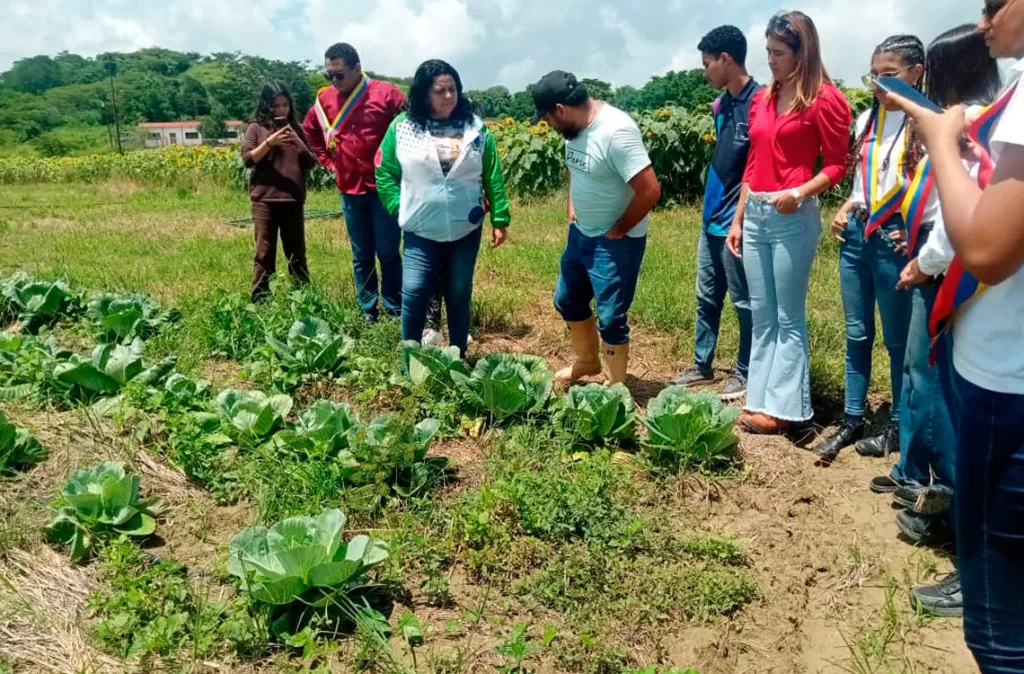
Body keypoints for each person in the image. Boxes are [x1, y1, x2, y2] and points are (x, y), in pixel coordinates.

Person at [885, 0, 1024, 669]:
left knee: (998, 626)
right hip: (997, 353)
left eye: (998, 3)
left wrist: (941, 142)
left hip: (1005, 371)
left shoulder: (999, 114)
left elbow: (981, 239)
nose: (987, 15)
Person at [725, 11, 852, 434]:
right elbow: (753, 162)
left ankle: (785, 409)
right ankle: (759, 398)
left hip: (793, 214)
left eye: (778, 53)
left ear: (803, 52)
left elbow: (837, 165)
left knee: (787, 315)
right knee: (761, 313)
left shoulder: (826, 99)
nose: (770, 60)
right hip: (758, 213)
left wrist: (799, 192)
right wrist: (739, 218)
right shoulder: (764, 98)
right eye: (768, 52)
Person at [812, 36, 924, 464]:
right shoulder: (867, 120)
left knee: (897, 340)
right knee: (856, 332)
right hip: (858, 234)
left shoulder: (926, 123)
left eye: (889, 75)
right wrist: (845, 207)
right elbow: (865, 182)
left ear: (917, 73)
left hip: (896, 238)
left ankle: (897, 422)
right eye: (873, 75)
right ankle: (852, 417)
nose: (878, 84)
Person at [531, 71, 662, 386]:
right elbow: (578, 169)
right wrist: (572, 207)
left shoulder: (616, 132)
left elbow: (650, 190)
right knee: (567, 299)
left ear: (561, 110)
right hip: (581, 233)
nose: (548, 125)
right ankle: (588, 363)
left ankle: (616, 388)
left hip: (616, 241)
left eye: (547, 118)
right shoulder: (575, 129)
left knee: (611, 317)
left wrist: (620, 227)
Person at [375, 60, 510, 357]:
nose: (449, 96)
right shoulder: (402, 128)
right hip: (420, 228)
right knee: (414, 291)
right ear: (424, 94)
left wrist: (500, 217)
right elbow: (384, 174)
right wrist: (400, 206)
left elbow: (492, 174)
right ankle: (409, 358)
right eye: (440, 91)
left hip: (465, 227)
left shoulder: (475, 127)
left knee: (459, 293)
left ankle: (458, 355)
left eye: (454, 90)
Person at [671, 25, 759, 401]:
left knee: (742, 300)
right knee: (706, 296)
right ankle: (701, 364)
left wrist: (738, 219)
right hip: (710, 219)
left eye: (708, 64)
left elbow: (755, 170)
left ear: (726, 59)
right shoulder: (722, 105)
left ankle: (745, 370)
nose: (704, 72)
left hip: (735, 223)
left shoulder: (761, 103)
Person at [303, 42, 407, 323]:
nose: (334, 81)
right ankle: (368, 309)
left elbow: (411, 125)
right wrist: (328, 162)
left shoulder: (387, 94)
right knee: (361, 255)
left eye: (339, 75)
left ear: (358, 69)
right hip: (349, 188)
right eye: (329, 76)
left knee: (388, 252)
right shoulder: (324, 101)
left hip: (384, 189)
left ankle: (395, 308)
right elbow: (310, 131)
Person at [242, 82, 316, 303]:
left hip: (293, 199)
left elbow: (310, 162)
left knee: (297, 253)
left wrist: (298, 142)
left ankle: (304, 298)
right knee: (264, 253)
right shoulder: (256, 127)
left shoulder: (296, 128)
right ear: (267, 106)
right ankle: (260, 301)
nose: (281, 110)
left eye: (285, 105)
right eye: (276, 106)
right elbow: (247, 159)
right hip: (265, 199)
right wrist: (269, 143)